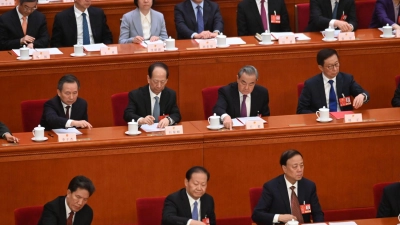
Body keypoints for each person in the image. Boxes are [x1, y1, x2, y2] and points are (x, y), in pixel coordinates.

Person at [252, 149, 324, 225]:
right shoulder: (271, 187)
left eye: (301, 165)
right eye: (295, 166)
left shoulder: (309, 186)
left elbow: (318, 214)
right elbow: (257, 215)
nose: (300, 170)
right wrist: (279, 217)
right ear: (284, 168)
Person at [297, 48, 369, 114]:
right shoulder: (311, 84)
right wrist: (320, 115)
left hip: (344, 121)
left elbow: (365, 93)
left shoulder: (347, 79)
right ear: (321, 67)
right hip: (322, 123)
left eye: (336, 64)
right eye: (330, 66)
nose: (335, 69)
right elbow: (301, 110)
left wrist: (362, 95)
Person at [124, 62, 181, 128]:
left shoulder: (170, 94)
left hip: (163, 133)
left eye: (162, 82)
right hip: (143, 134)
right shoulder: (136, 95)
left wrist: (168, 120)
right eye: (156, 81)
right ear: (148, 79)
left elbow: (176, 114)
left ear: (166, 81)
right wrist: (141, 120)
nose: (159, 86)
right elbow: (127, 114)